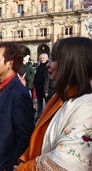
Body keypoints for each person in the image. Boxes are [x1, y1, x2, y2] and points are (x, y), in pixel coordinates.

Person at [15, 37, 92, 170]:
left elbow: (65, 161)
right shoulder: (64, 98)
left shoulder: (88, 105)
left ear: (72, 63)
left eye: (54, 59)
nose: (48, 65)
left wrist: (25, 168)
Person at [0, 43, 35, 171]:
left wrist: (9, 165)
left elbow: (25, 136)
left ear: (9, 63)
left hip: (3, 165)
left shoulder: (18, 94)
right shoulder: (2, 88)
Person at [33, 53, 50, 121]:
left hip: (46, 88)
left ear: (46, 58)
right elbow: (36, 77)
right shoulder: (39, 67)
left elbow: (47, 78)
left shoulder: (48, 66)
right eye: (40, 58)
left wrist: (46, 90)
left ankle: (47, 116)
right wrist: (35, 84)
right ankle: (39, 116)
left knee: (47, 104)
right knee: (39, 103)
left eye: (43, 58)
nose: (42, 59)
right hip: (39, 88)